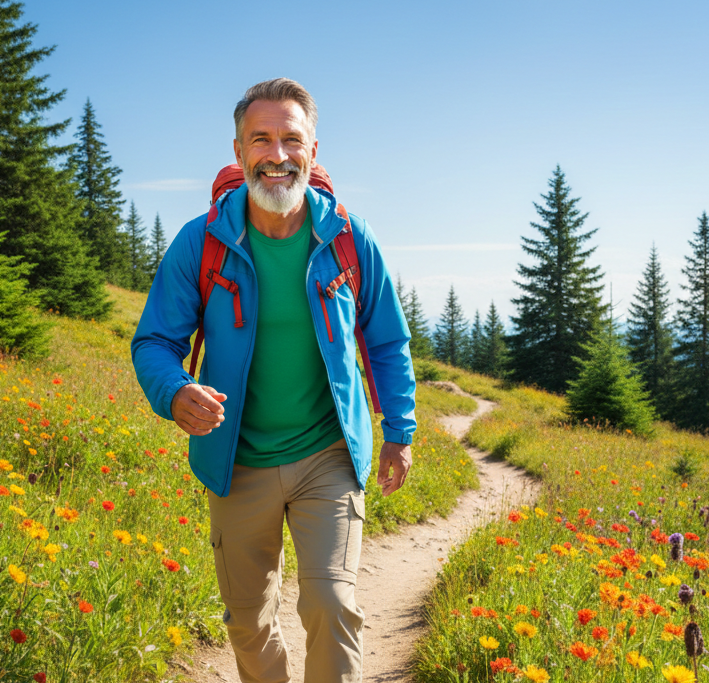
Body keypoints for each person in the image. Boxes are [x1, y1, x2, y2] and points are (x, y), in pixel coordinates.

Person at [131, 77, 416, 683]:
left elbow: (387, 340)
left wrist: (401, 430)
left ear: (314, 150)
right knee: (247, 621)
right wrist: (175, 391)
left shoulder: (347, 238)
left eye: (292, 139)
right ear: (238, 151)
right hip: (235, 460)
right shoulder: (201, 241)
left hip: (327, 456)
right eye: (261, 139)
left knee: (331, 603)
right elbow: (156, 341)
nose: (278, 155)